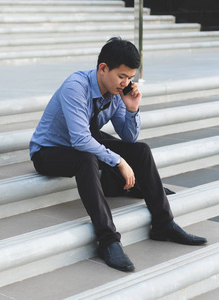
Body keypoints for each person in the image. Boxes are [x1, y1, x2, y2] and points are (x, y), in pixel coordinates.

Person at [29, 37, 207, 272]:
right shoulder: (76, 86)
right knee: (87, 157)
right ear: (103, 68)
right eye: (122, 76)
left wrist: (132, 108)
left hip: (86, 142)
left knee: (141, 150)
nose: (126, 83)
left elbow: (129, 138)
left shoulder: (117, 93)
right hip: (50, 150)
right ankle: (108, 240)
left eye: (131, 78)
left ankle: (163, 224)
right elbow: (80, 140)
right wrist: (119, 161)